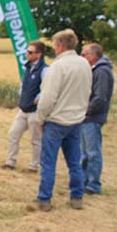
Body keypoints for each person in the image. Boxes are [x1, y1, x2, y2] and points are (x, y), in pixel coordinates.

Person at [33, 29, 92, 211]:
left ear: (59, 45)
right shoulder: (84, 64)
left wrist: (41, 119)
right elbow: (88, 91)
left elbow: (48, 98)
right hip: (75, 121)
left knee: (48, 162)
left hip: (56, 121)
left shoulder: (57, 67)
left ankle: (44, 199)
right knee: (74, 162)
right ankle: (77, 197)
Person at [3, 41, 48, 172]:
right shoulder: (28, 68)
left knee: (36, 139)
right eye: (27, 51)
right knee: (13, 134)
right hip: (23, 109)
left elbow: (46, 88)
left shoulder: (45, 70)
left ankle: (34, 165)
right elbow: (23, 85)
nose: (27, 54)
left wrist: (38, 99)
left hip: (35, 111)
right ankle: (10, 161)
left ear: (39, 54)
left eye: (30, 52)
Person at [80, 43, 114, 195]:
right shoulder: (95, 70)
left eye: (84, 54)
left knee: (92, 152)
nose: (82, 57)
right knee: (85, 152)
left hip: (92, 118)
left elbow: (100, 97)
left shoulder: (102, 71)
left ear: (93, 56)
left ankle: (93, 184)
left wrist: (87, 112)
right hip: (88, 117)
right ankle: (84, 180)